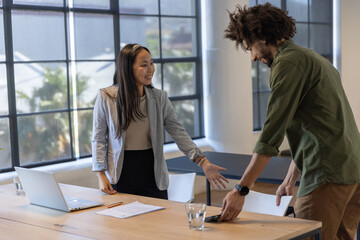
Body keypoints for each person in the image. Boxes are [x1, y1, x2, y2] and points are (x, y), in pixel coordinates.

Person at [218, 3, 360, 240]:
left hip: (328, 174)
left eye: (249, 47)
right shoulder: (312, 57)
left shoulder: (288, 64)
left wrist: (240, 190)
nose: (252, 57)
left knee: (306, 235)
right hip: (352, 169)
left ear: (262, 37)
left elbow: (271, 133)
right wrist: (290, 178)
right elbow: (314, 125)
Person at [92, 43, 229, 200]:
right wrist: (100, 174)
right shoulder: (107, 97)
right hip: (120, 173)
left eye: (151, 63)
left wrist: (203, 162)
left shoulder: (160, 98)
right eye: (144, 65)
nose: (151, 69)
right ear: (128, 68)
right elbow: (99, 138)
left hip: (153, 173)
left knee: (156, 221)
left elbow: (178, 132)